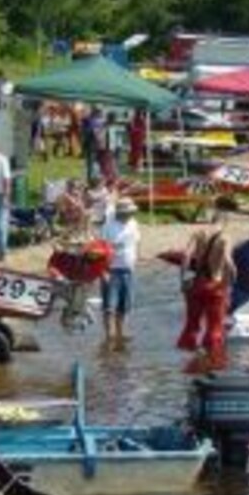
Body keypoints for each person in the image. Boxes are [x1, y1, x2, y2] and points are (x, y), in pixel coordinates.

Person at [177, 220, 235, 353]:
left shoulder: (198, 233)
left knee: (191, 325)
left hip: (197, 284)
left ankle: (187, 358)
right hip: (215, 286)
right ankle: (212, 358)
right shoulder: (225, 237)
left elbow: (185, 256)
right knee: (214, 326)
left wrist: (182, 280)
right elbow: (228, 262)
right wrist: (231, 283)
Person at [99, 197, 140, 342]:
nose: (130, 215)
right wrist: (103, 272)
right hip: (111, 270)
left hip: (128, 270)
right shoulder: (108, 226)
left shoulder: (133, 224)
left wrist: (135, 261)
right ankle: (108, 335)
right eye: (127, 212)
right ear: (120, 212)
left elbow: (135, 244)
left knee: (124, 305)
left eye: (131, 212)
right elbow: (99, 250)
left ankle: (120, 333)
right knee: (109, 306)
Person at [81, 108, 104, 183]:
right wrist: (100, 142)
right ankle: (91, 178)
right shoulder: (94, 122)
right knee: (92, 162)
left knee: (90, 162)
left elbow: (85, 133)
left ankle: (91, 177)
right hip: (93, 144)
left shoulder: (89, 121)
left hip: (89, 144)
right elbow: (96, 134)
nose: (101, 115)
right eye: (100, 113)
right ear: (96, 113)